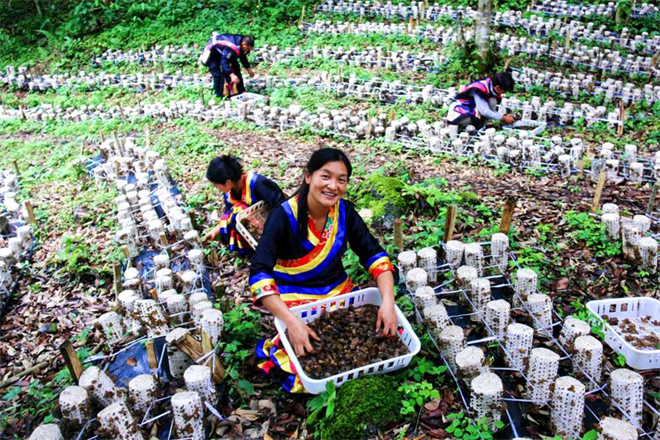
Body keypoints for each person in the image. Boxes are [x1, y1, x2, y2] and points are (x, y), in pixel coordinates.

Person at [250, 148, 397, 393]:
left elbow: (374, 255)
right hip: (295, 298)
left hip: (339, 294)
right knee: (303, 362)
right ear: (308, 176)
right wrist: (292, 323)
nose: (333, 186)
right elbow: (259, 272)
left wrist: (388, 302)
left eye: (342, 180)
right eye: (325, 176)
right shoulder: (283, 216)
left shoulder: (346, 212)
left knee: (376, 339)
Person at [204, 156, 285, 255]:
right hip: (253, 229)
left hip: (272, 224)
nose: (216, 188)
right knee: (235, 215)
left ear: (228, 182)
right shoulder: (229, 192)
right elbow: (228, 214)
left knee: (238, 211)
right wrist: (215, 231)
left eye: (216, 185)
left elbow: (281, 205)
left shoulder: (257, 183)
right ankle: (249, 249)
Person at [446, 71, 516, 129]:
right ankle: (473, 126)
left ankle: (481, 124)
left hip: (473, 106)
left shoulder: (490, 84)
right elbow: (484, 111)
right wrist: (503, 118)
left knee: (492, 100)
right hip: (461, 109)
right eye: (505, 91)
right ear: (498, 88)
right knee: (471, 120)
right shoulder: (478, 89)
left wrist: (502, 116)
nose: (504, 93)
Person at [199, 33, 256, 98]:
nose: (248, 50)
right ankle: (218, 95)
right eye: (248, 48)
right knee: (217, 75)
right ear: (243, 44)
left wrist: (248, 68)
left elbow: (242, 55)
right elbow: (224, 62)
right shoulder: (231, 46)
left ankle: (241, 90)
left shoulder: (242, 42)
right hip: (212, 53)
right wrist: (231, 75)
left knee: (236, 67)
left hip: (224, 52)